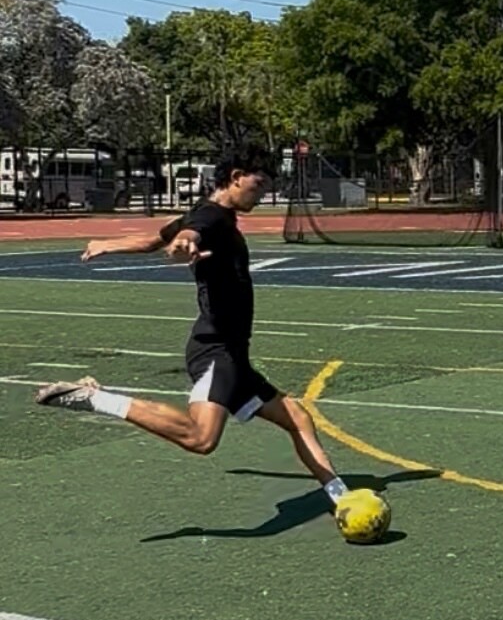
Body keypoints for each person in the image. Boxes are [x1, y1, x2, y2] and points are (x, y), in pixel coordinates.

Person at [34, 145, 351, 509]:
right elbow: (186, 238)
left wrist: (109, 243)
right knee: (201, 438)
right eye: (259, 185)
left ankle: (341, 497)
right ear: (236, 178)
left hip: (234, 354)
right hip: (216, 350)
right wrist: (183, 247)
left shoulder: (210, 214)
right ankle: (95, 398)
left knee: (297, 417)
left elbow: (155, 240)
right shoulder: (211, 217)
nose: (262, 194)